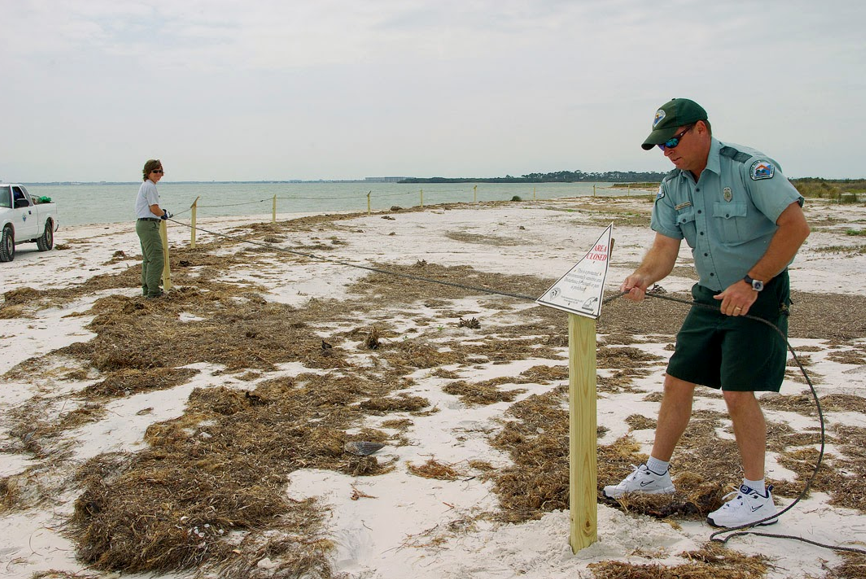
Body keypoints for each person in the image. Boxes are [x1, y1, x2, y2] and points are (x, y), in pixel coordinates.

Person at [602, 98, 810, 529]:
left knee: (737, 391)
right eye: (661, 146)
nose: (668, 151)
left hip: (760, 296)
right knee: (677, 380)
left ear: (701, 129)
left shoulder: (750, 168)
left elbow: (796, 228)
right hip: (709, 297)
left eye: (673, 141)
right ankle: (656, 475)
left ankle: (757, 495)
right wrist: (642, 275)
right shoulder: (673, 185)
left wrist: (752, 282)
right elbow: (664, 249)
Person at [134, 159, 172, 298]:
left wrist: (161, 214)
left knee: (148, 258)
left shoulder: (147, 186)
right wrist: (164, 214)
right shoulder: (149, 187)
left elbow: (153, 209)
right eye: (155, 171)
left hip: (144, 224)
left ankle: (147, 289)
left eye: (160, 171)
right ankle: (153, 292)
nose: (158, 174)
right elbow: (154, 209)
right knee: (156, 258)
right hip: (148, 225)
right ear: (148, 172)